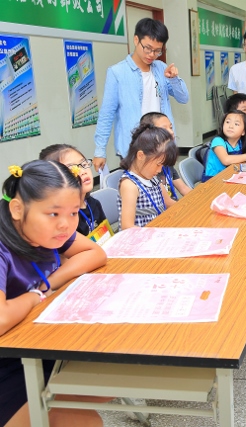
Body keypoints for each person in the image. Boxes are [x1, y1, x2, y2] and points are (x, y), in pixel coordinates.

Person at [0, 160, 108, 427]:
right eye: (54, 214)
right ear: (17, 208)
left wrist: (46, 285)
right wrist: (34, 296)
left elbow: (95, 252)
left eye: (73, 213)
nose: (66, 225)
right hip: (7, 362)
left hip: (39, 342)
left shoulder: (48, 232)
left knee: (107, 384)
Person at [94, 18, 188, 173]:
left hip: (163, 143)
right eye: (148, 48)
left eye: (158, 51)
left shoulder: (161, 68)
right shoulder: (117, 72)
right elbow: (106, 113)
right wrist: (99, 150)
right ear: (136, 40)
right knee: (138, 194)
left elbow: (183, 98)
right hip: (134, 147)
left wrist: (174, 79)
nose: (152, 55)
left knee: (164, 191)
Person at [118, 124, 179, 229]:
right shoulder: (130, 185)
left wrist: (190, 208)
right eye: (158, 164)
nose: (160, 170)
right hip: (139, 240)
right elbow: (127, 227)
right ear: (141, 156)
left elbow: (168, 202)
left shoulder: (152, 178)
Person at [39, 145, 107, 236]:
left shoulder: (94, 203)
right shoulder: (63, 219)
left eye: (83, 164)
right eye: (72, 170)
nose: (83, 171)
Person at [138, 112, 191, 200]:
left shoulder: (165, 157)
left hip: (173, 207)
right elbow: (166, 203)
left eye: (171, 127)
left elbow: (183, 189)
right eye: (164, 129)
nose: (171, 132)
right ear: (149, 133)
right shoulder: (146, 165)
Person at [202, 110, 246, 182]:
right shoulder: (218, 141)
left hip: (229, 177)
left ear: (243, 132)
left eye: (236, 124)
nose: (230, 126)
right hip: (213, 181)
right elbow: (225, 160)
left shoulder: (240, 143)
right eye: (227, 122)